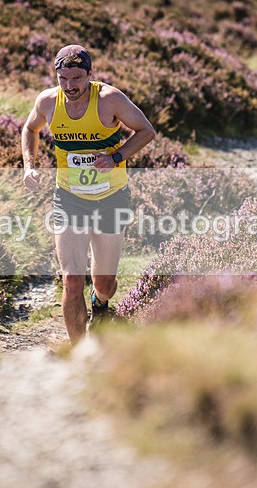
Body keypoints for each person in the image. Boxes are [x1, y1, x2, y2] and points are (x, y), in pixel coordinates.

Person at [21, 44, 156, 344]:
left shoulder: (110, 99)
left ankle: (100, 302)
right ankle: (79, 352)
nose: (70, 86)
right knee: (71, 280)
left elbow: (146, 131)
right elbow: (29, 129)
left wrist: (116, 157)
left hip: (111, 198)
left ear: (90, 74)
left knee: (104, 283)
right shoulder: (48, 101)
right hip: (69, 198)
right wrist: (29, 166)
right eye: (63, 79)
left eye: (77, 79)